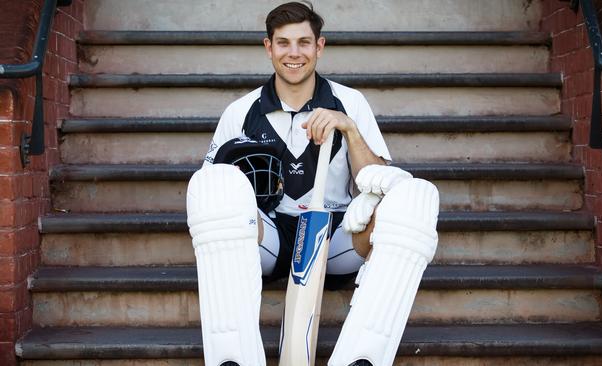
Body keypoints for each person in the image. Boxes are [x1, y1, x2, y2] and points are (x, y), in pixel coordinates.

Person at [186, 2, 440, 366]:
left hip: (333, 236)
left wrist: (349, 128)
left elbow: (381, 183)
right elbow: (208, 190)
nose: (294, 53)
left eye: (304, 42)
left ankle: (362, 356)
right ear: (268, 47)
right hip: (266, 237)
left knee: (411, 202)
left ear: (319, 47)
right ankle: (233, 357)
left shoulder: (350, 102)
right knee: (216, 191)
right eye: (284, 43)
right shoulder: (240, 111)